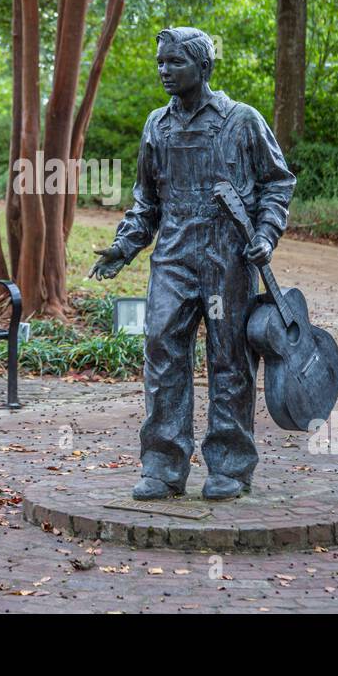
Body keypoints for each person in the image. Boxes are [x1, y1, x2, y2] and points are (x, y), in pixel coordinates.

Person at [90, 27, 295, 500]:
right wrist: (124, 246)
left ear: (203, 68)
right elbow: (146, 201)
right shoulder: (156, 126)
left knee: (229, 359)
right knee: (162, 352)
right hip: (174, 258)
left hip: (228, 259)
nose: (164, 71)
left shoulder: (242, 121)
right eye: (160, 62)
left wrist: (266, 234)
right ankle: (162, 464)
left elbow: (277, 183)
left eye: (174, 62)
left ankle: (230, 464)